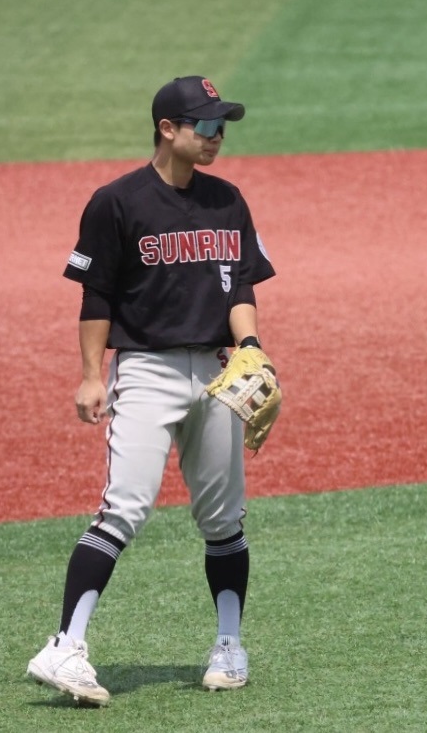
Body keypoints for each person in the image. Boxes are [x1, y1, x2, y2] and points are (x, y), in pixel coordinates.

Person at [27, 75, 276, 706]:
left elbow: (240, 288)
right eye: (208, 126)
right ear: (168, 129)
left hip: (218, 374)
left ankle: (228, 645)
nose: (219, 138)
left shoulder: (229, 201)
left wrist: (249, 348)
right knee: (123, 508)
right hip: (145, 371)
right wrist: (91, 374)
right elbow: (97, 295)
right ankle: (65, 647)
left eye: (224, 127)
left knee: (224, 521)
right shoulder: (117, 202)